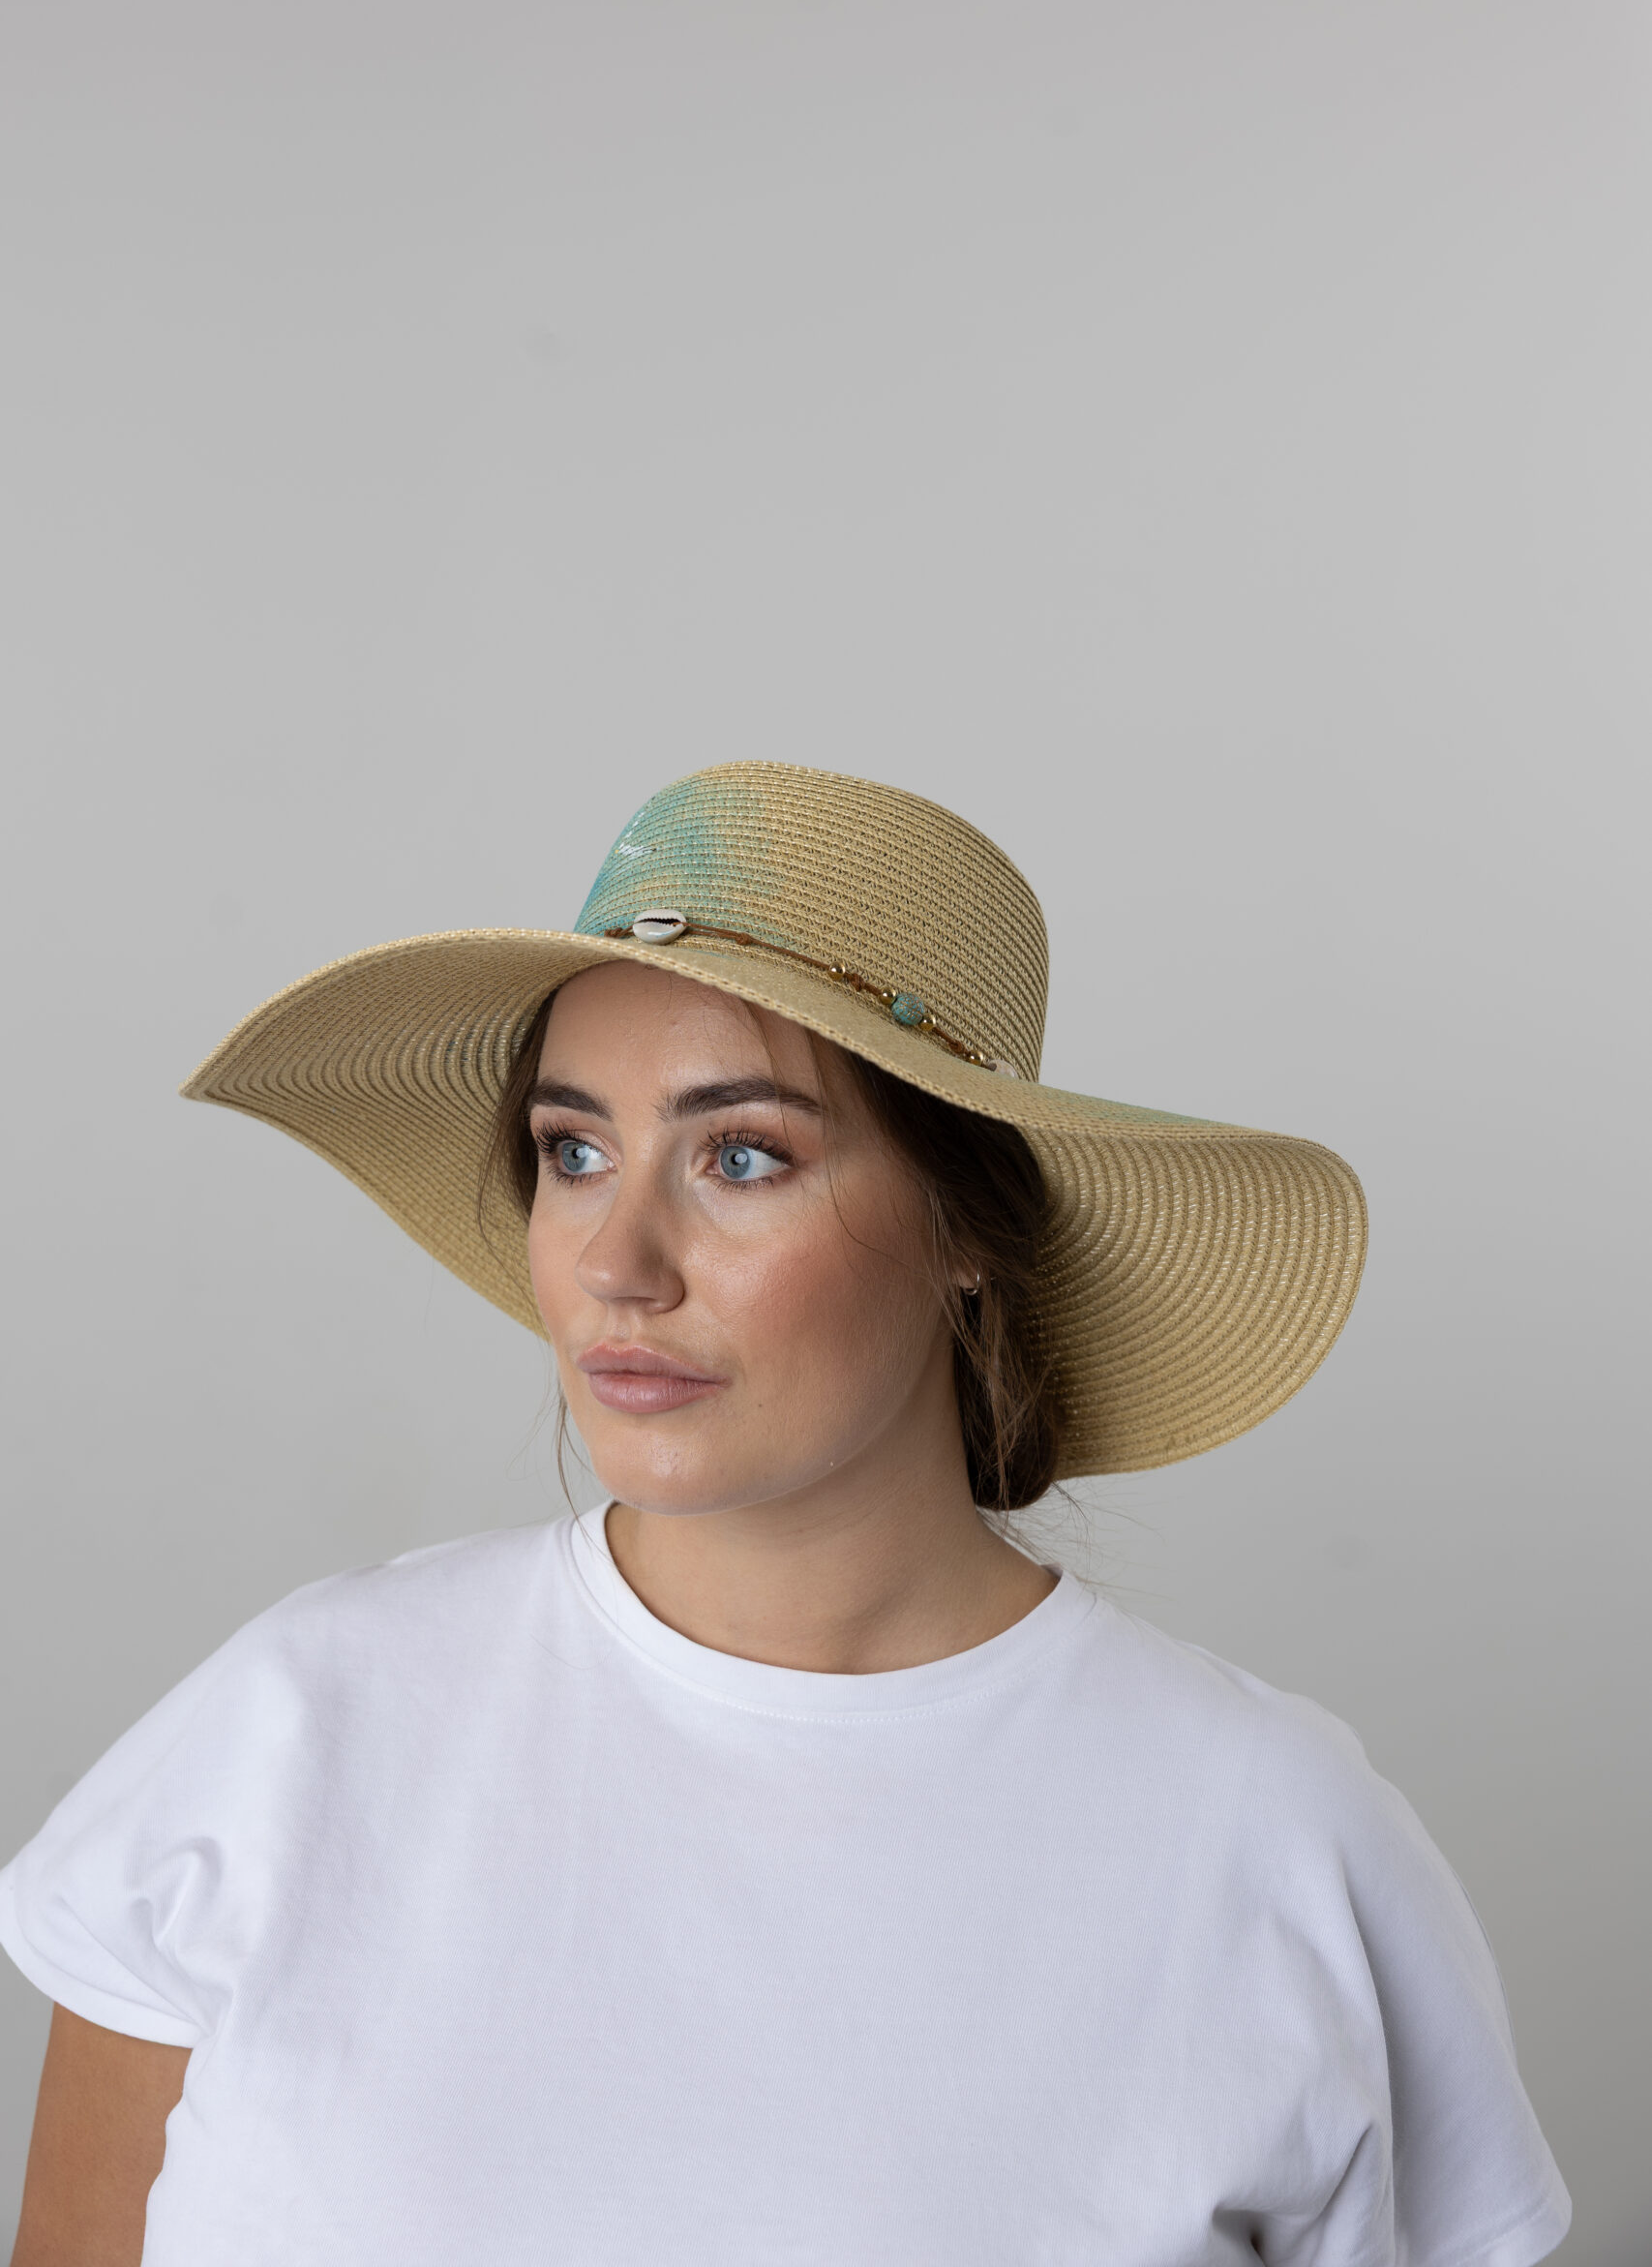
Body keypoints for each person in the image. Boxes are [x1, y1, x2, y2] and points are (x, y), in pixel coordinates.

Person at [3, 761, 1569, 2265]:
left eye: (742, 1156)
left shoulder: (1271, 1836)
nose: (617, 1263)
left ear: (967, 1224)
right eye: (573, 1151)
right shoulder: (296, 1730)